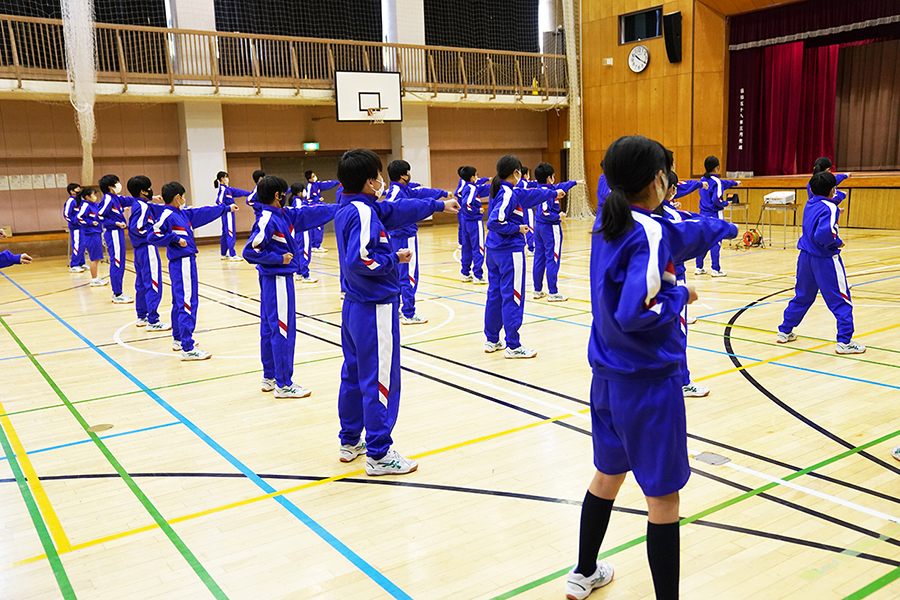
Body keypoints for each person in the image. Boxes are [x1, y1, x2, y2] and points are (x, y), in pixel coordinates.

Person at [567, 135, 737, 600]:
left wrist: (722, 227)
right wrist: (681, 293)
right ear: (658, 179)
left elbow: (679, 232)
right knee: (663, 499)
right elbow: (634, 313)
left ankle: (584, 573)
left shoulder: (611, 221)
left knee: (607, 476)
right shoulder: (647, 231)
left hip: (606, 380)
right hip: (646, 387)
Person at [333, 149, 459, 476]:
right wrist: (394, 260)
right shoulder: (362, 213)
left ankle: (350, 442)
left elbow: (398, 210)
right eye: (378, 176)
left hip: (355, 307)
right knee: (380, 382)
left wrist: (437, 204)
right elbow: (361, 260)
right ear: (368, 181)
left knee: (353, 375)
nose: (383, 181)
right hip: (374, 308)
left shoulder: (354, 206)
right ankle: (379, 453)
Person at [243, 175, 337, 398]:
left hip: (272, 281)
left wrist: (341, 207)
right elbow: (250, 251)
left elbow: (311, 213)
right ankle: (284, 384)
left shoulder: (283, 215)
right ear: (277, 195)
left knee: (269, 329)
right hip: (277, 280)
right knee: (282, 330)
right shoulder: (267, 219)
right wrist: (279, 259)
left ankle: (271, 377)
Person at [776, 171, 865, 355]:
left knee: (802, 296)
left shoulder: (811, 202)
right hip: (825, 260)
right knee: (841, 300)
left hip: (805, 259)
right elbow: (824, 235)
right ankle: (845, 342)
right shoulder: (831, 208)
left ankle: (785, 331)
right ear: (833, 190)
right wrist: (837, 242)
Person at [484, 155, 562, 358]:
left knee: (495, 295)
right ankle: (513, 345)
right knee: (513, 296)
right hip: (508, 252)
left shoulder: (502, 189)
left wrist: (553, 192)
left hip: (493, 251)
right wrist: (517, 228)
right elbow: (494, 222)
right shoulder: (508, 193)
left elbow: (530, 196)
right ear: (515, 173)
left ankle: (492, 340)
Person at [151, 181, 238, 361]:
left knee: (179, 302)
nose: (184, 199)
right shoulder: (168, 214)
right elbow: (153, 235)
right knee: (188, 302)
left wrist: (225, 209)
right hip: (181, 262)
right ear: (177, 197)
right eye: (183, 196)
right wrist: (175, 239)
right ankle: (188, 348)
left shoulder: (181, 213)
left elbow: (203, 212)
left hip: (184, 262)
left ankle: (179, 339)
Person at [384, 159, 452, 325]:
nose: (409, 175)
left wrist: (442, 193)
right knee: (409, 276)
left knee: (401, 276)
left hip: (400, 237)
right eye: (408, 172)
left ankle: (401, 309)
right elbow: (388, 210)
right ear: (402, 175)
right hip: (403, 237)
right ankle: (408, 313)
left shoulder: (404, 189)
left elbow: (421, 192)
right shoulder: (395, 194)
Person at [660, 171, 709, 398]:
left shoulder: (639, 212)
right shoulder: (673, 216)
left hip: (648, 282)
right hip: (674, 280)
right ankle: (682, 382)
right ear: (670, 189)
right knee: (677, 333)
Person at [532, 162, 582, 302]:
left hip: (539, 228)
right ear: (549, 178)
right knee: (552, 259)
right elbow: (544, 212)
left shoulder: (543, 189)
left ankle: (537, 290)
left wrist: (575, 182)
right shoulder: (546, 193)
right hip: (550, 228)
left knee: (539, 258)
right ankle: (553, 292)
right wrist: (558, 217)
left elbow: (562, 187)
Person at [127, 175, 170, 332]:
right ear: (143, 191)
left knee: (141, 284)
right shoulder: (143, 207)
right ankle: (153, 320)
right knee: (153, 283)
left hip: (139, 250)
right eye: (149, 188)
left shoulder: (139, 204)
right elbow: (136, 228)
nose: (152, 190)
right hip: (147, 248)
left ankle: (142, 316)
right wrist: (154, 234)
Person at [694, 156, 739, 277]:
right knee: (716, 240)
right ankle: (716, 269)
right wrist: (725, 203)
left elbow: (724, 183)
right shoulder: (717, 182)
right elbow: (716, 199)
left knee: (703, 240)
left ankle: (699, 267)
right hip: (714, 214)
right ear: (717, 167)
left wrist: (735, 183)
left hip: (702, 214)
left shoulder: (703, 179)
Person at [97, 174, 134, 303]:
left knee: (120, 262)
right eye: (116, 182)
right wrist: (115, 223)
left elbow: (129, 200)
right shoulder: (108, 198)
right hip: (113, 233)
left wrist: (149, 198)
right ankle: (117, 294)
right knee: (117, 262)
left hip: (118, 233)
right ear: (110, 186)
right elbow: (99, 216)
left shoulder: (115, 198)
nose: (119, 184)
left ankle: (118, 292)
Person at [456, 166, 491, 284]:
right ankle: (478, 275)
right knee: (479, 248)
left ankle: (465, 273)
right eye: (476, 175)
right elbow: (467, 204)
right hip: (474, 222)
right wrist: (477, 211)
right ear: (472, 177)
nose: (477, 177)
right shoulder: (471, 188)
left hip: (465, 221)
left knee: (467, 248)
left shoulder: (466, 187)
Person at [214, 171, 252, 261]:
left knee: (225, 233)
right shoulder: (223, 189)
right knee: (230, 232)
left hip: (226, 213)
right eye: (226, 177)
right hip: (228, 213)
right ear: (222, 178)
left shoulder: (228, 189)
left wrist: (250, 193)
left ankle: (223, 254)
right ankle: (232, 254)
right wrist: (227, 208)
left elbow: (239, 192)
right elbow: (219, 201)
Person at [74, 187, 106, 287]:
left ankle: (95, 277)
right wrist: (90, 223)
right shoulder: (85, 205)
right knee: (94, 258)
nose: (95, 196)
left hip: (96, 233)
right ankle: (94, 279)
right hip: (90, 234)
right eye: (93, 194)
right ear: (87, 197)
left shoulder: (94, 205)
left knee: (97, 257)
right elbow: (79, 217)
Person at [304, 170, 340, 253]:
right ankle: (316, 245)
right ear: (309, 179)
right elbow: (308, 198)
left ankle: (314, 245)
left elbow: (327, 184)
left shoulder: (317, 184)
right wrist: (317, 199)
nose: (315, 177)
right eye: (313, 176)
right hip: (314, 208)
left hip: (317, 206)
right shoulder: (309, 186)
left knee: (316, 227)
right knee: (318, 226)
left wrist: (337, 182)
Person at [515, 166, 537, 255]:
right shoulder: (524, 183)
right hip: (526, 209)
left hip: (518, 209)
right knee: (529, 228)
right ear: (525, 175)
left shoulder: (517, 182)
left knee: (521, 227)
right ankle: (531, 248)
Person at [64, 183, 85, 273]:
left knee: (83, 244)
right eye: (77, 190)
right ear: (72, 192)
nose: (79, 191)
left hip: (83, 227)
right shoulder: (70, 201)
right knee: (77, 245)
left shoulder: (81, 201)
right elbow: (66, 215)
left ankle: (81, 262)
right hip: (75, 227)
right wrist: (75, 222)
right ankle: (74, 264)